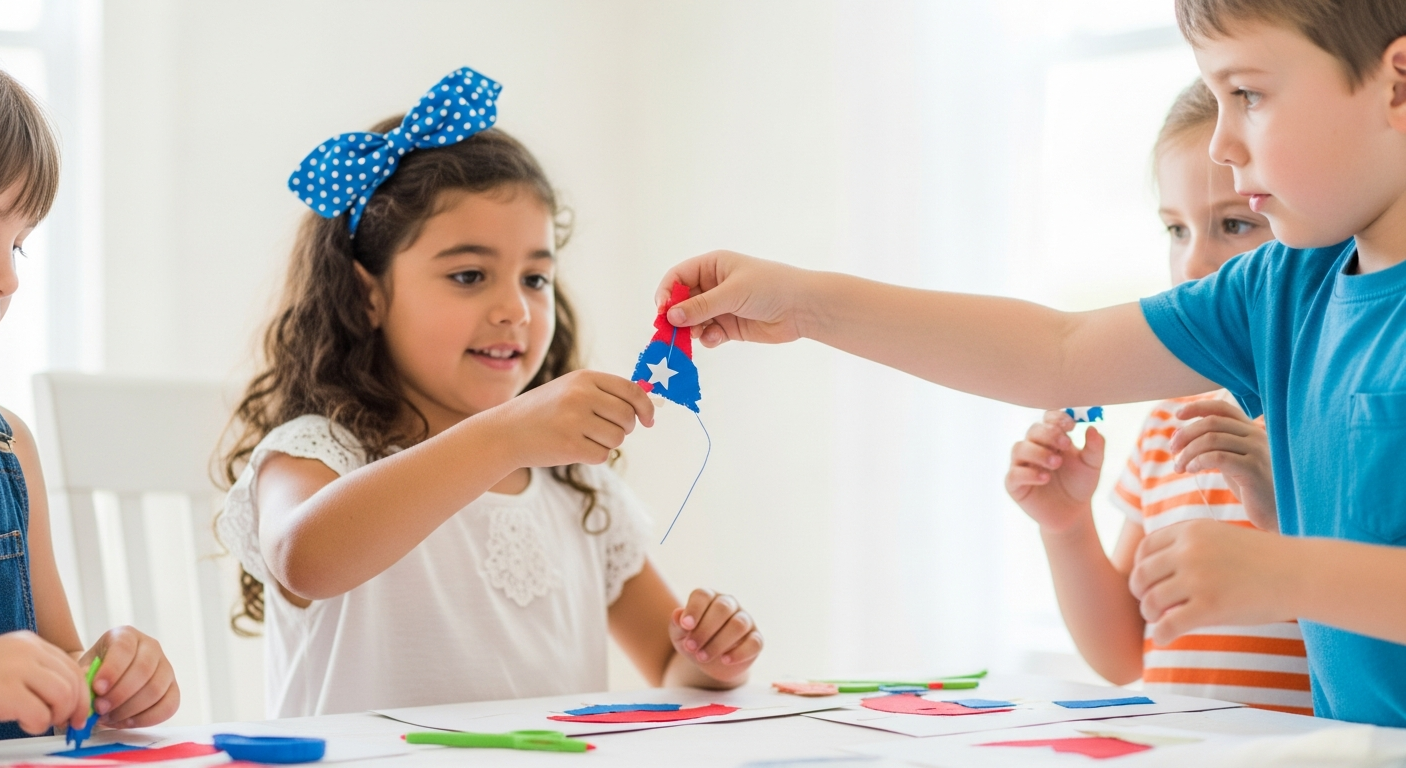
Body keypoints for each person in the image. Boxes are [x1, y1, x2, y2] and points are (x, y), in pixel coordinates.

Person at [656, 0, 1406, 725]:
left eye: (1248, 94)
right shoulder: (1282, 286)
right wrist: (805, 304)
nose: (1222, 144)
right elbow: (1061, 352)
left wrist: (1289, 573)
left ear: (1397, 85)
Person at [216, 67, 763, 718]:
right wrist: (506, 436)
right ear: (367, 295)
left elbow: (668, 665)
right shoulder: (318, 452)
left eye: (535, 279)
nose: (516, 310)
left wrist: (710, 659)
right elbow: (304, 559)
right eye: (470, 275)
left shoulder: (576, 490)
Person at [1005, 80, 1311, 715]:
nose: (1193, 264)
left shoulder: (1327, 417)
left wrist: (1286, 507)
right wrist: (1066, 527)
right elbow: (1124, 653)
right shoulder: (1169, 421)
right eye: (1176, 229)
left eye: (1234, 224)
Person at [0, 68, 179, 739]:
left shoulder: (10, 448)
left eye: (18, 245)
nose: (8, 278)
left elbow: (59, 659)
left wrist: (104, 677)